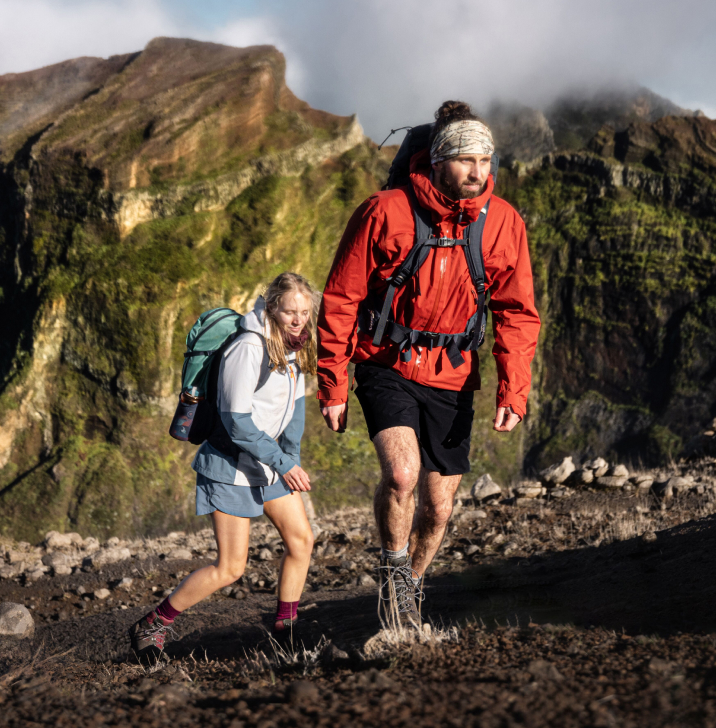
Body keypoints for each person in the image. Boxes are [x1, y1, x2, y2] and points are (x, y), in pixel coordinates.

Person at [317, 100, 541, 629]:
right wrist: (333, 384)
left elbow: (518, 312)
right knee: (401, 475)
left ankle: (412, 583)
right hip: (386, 362)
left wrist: (513, 391)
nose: (478, 172)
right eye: (466, 160)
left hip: (454, 375)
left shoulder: (503, 223)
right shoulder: (385, 210)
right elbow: (341, 298)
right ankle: (394, 570)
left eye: (486, 161)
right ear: (438, 160)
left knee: (439, 507)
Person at [131, 272, 320, 657]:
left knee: (301, 541)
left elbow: (295, 413)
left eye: (304, 312)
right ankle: (151, 626)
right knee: (231, 569)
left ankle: (285, 630)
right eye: (290, 312)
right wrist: (283, 463)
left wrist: (290, 460)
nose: (298, 319)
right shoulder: (247, 347)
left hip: (269, 465)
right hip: (230, 467)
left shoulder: (295, 347)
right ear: (272, 309)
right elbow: (236, 421)